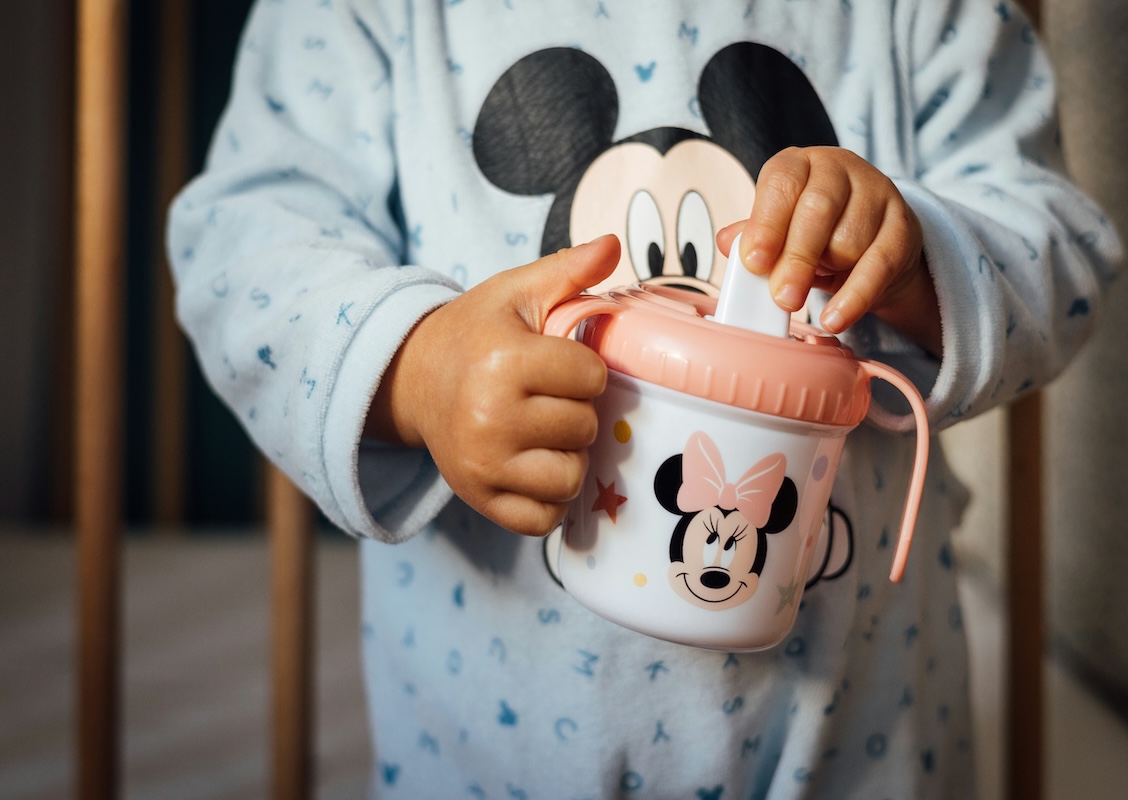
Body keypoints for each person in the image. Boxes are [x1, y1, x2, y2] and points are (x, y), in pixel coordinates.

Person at [168, 1, 1120, 797]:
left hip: (856, 738)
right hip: (493, 749)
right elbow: (244, 243)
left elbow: (1064, 244)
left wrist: (917, 259)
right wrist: (418, 368)